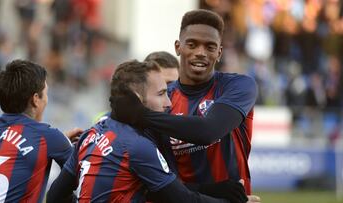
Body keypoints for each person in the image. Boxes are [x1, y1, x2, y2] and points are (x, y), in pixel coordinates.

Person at [110, 9, 260, 202]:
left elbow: (209, 131)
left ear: (219, 53)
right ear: (178, 47)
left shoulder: (239, 86)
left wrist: (141, 115)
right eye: (192, 44)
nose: (200, 53)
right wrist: (211, 191)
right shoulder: (163, 99)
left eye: (210, 47)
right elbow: (158, 180)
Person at [47, 60, 247, 203]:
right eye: (161, 94)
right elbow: (181, 199)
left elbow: (55, 195)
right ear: (135, 98)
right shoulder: (136, 145)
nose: (169, 103)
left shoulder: (91, 134)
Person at [0, 59, 81, 202]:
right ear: (36, 99)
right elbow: (86, 174)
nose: (47, 100)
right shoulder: (48, 137)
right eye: (46, 94)